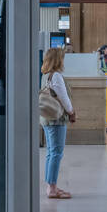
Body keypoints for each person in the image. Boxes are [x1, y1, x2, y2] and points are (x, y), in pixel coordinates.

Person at [40, 47, 75, 199]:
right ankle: (52, 189)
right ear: (57, 60)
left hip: (47, 119)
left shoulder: (46, 75)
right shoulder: (56, 76)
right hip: (56, 119)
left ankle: (51, 185)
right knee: (56, 153)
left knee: (51, 153)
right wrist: (72, 112)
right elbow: (64, 98)